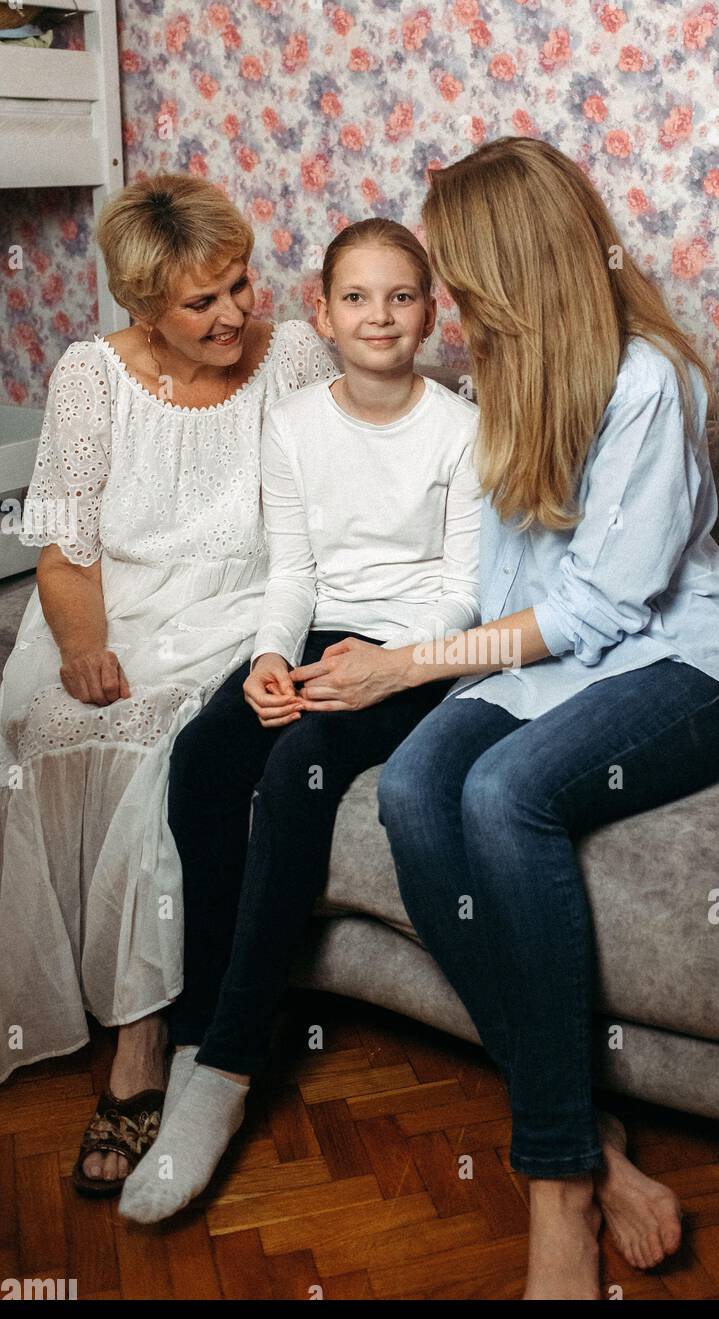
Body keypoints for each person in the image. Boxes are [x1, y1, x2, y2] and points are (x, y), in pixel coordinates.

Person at [279, 137, 719, 1299]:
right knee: (410, 789)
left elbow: (606, 606)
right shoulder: (498, 368)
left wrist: (410, 667)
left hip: (676, 661)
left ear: (515, 262)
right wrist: (413, 662)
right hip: (544, 661)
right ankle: (593, 1139)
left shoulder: (650, 380)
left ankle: (555, 1190)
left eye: (454, 272)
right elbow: (506, 584)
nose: (441, 299)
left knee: (505, 795)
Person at [117, 219, 482, 1224]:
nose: (379, 317)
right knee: (202, 755)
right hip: (317, 631)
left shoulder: (459, 427)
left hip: (409, 651)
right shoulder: (296, 423)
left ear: (429, 311)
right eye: (356, 297)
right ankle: (195, 1032)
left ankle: (227, 1075)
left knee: (300, 775)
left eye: (401, 297)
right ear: (321, 312)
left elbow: (462, 592)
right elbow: (296, 573)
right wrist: (273, 657)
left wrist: (385, 668)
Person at [0, 173, 339, 1196]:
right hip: (113, 607)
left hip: (241, 606)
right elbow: (66, 549)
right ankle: (71, 980)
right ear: (143, 305)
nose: (235, 312)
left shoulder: (292, 357)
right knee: (45, 719)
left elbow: (327, 520)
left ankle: (142, 1045)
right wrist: (83, 644)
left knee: (162, 747)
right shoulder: (90, 375)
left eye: (240, 284)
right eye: (203, 301)